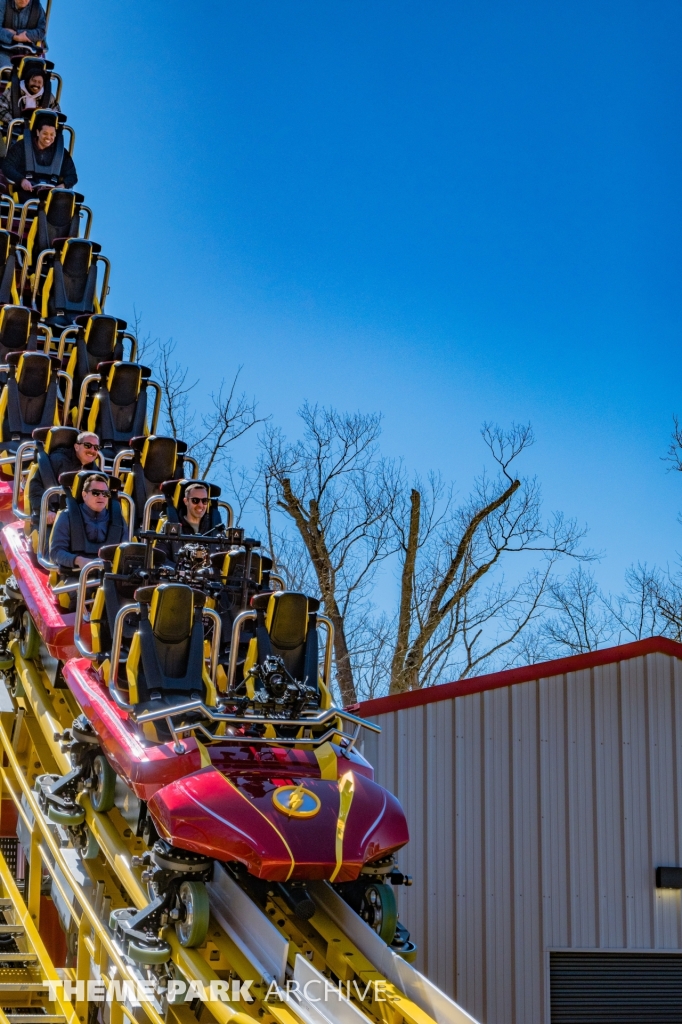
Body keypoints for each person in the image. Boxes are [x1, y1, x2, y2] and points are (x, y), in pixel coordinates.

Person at [50, 472, 123, 573]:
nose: (101, 496)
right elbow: (56, 552)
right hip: (75, 575)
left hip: (108, 576)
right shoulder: (67, 516)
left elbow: (125, 552)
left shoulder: (118, 519)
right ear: (84, 495)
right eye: (96, 493)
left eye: (106, 493)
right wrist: (78, 560)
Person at [28, 430, 100, 529]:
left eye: (96, 447)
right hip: (54, 519)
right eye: (88, 445)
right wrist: (46, 510)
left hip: (81, 521)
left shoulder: (95, 471)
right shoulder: (56, 460)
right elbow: (35, 487)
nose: (92, 450)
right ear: (76, 446)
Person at [3, 114, 76, 201]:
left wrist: (62, 185)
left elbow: (72, 176)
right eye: (45, 133)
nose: (48, 137)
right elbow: (7, 166)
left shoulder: (61, 153)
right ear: (38, 132)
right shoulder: (22, 146)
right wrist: (21, 180)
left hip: (51, 194)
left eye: (52, 134)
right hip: (26, 190)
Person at [0, 0, 47, 70]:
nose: (23, 0)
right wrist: (13, 37)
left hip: (28, 52)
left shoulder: (36, 7)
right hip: (4, 50)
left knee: (35, 74)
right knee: (6, 70)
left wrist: (17, 33)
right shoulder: (3, 3)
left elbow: (41, 32)